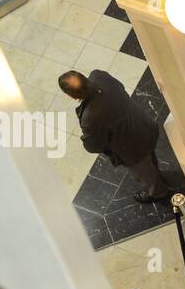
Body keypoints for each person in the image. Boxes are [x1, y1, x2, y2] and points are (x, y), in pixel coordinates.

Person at [59, 69, 169, 202]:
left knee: (145, 172)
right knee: (150, 156)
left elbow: (94, 146)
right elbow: (121, 88)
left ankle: (158, 192)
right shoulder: (99, 76)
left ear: (71, 96)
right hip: (143, 124)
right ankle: (156, 171)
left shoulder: (89, 117)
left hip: (133, 149)